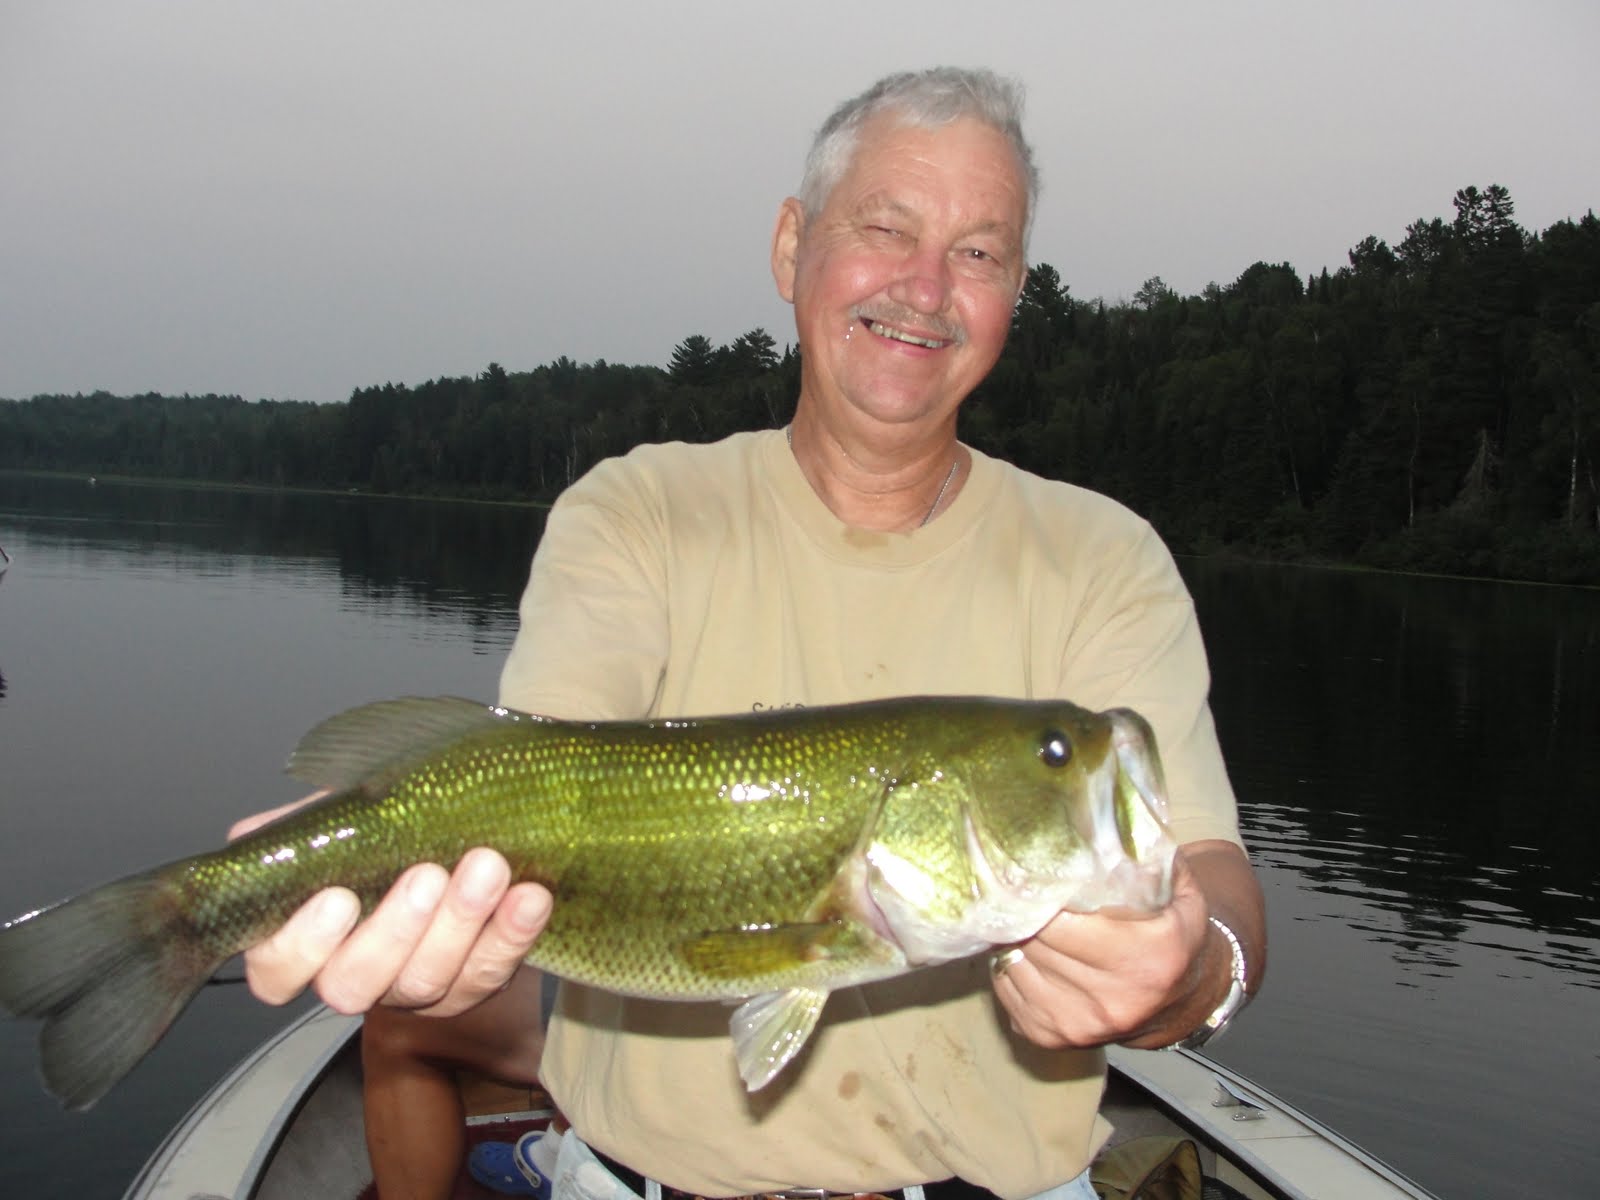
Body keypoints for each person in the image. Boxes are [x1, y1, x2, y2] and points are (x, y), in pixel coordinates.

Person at [232, 66, 1266, 1200]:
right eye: (884, 228)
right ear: (791, 248)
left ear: (1016, 292)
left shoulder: (1104, 558)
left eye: (979, 254)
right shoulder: (636, 512)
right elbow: (543, 787)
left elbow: (1213, 880)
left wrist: (1189, 973)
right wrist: (415, 901)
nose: (925, 289)